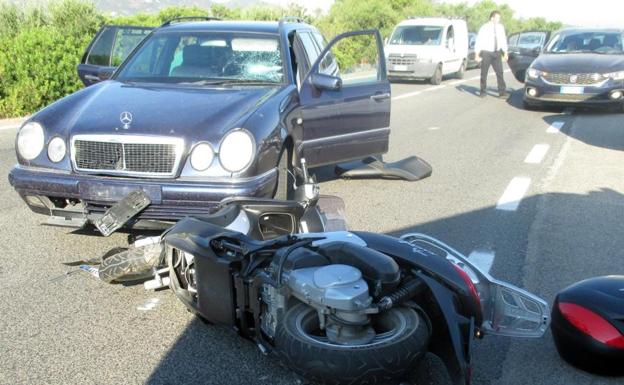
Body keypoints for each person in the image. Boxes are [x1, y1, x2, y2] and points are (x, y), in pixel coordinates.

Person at [475, 10, 508, 98]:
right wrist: (477, 54)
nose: (498, 20)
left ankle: (502, 92)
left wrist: (505, 52)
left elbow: (503, 40)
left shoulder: (500, 27)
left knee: (500, 72)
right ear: (492, 18)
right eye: (497, 18)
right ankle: (483, 91)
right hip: (487, 52)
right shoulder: (484, 27)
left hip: (497, 52)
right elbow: (479, 41)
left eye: (499, 18)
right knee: (484, 73)